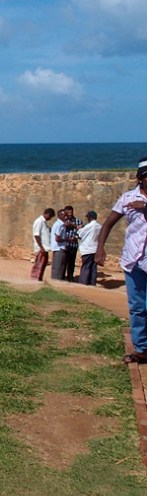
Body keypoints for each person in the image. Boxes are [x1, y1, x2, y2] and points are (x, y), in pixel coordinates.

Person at [96, 156, 147, 364]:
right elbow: (108, 224)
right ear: (139, 178)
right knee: (138, 307)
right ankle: (141, 349)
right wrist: (100, 248)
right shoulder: (127, 198)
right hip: (133, 261)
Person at [31, 207, 55, 281]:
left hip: (45, 247)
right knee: (39, 264)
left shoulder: (44, 222)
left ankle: (39, 278)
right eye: (50, 216)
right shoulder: (39, 221)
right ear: (47, 214)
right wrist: (41, 247)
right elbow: (36, 235)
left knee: (43, 264)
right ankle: (35, 278)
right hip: (41, 248)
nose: (50, 219)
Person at [77, 210, 101, 286]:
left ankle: (83, 284)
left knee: (86, 267)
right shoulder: (99, 226)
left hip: (87, 249)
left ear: (90, 217)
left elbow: (80, 235)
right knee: (93, 268)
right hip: (95, 249)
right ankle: (92, 283)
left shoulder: (89, 226)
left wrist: (79, 228)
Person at [60, 205, 83, 281]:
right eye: (68, 212)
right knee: (63, 263)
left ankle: (70, 278)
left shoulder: (78, 221)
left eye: (71, 212)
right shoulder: (62, 221)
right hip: (64, 245)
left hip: (73, 245)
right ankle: (61, 277)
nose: (70, 214)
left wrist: (76, 236)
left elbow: (82, 232)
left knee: (71, 263)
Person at [50, 208, 67, 280]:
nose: (66, 217)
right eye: (64, 215)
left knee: (57, 266)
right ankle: (56, 281)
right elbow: (57, 238)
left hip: (58, 248)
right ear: (60, 216)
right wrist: (67, 239)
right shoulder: (59, 225)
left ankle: (55, 280)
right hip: (59, 248)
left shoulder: (61, 225)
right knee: (58, 267)